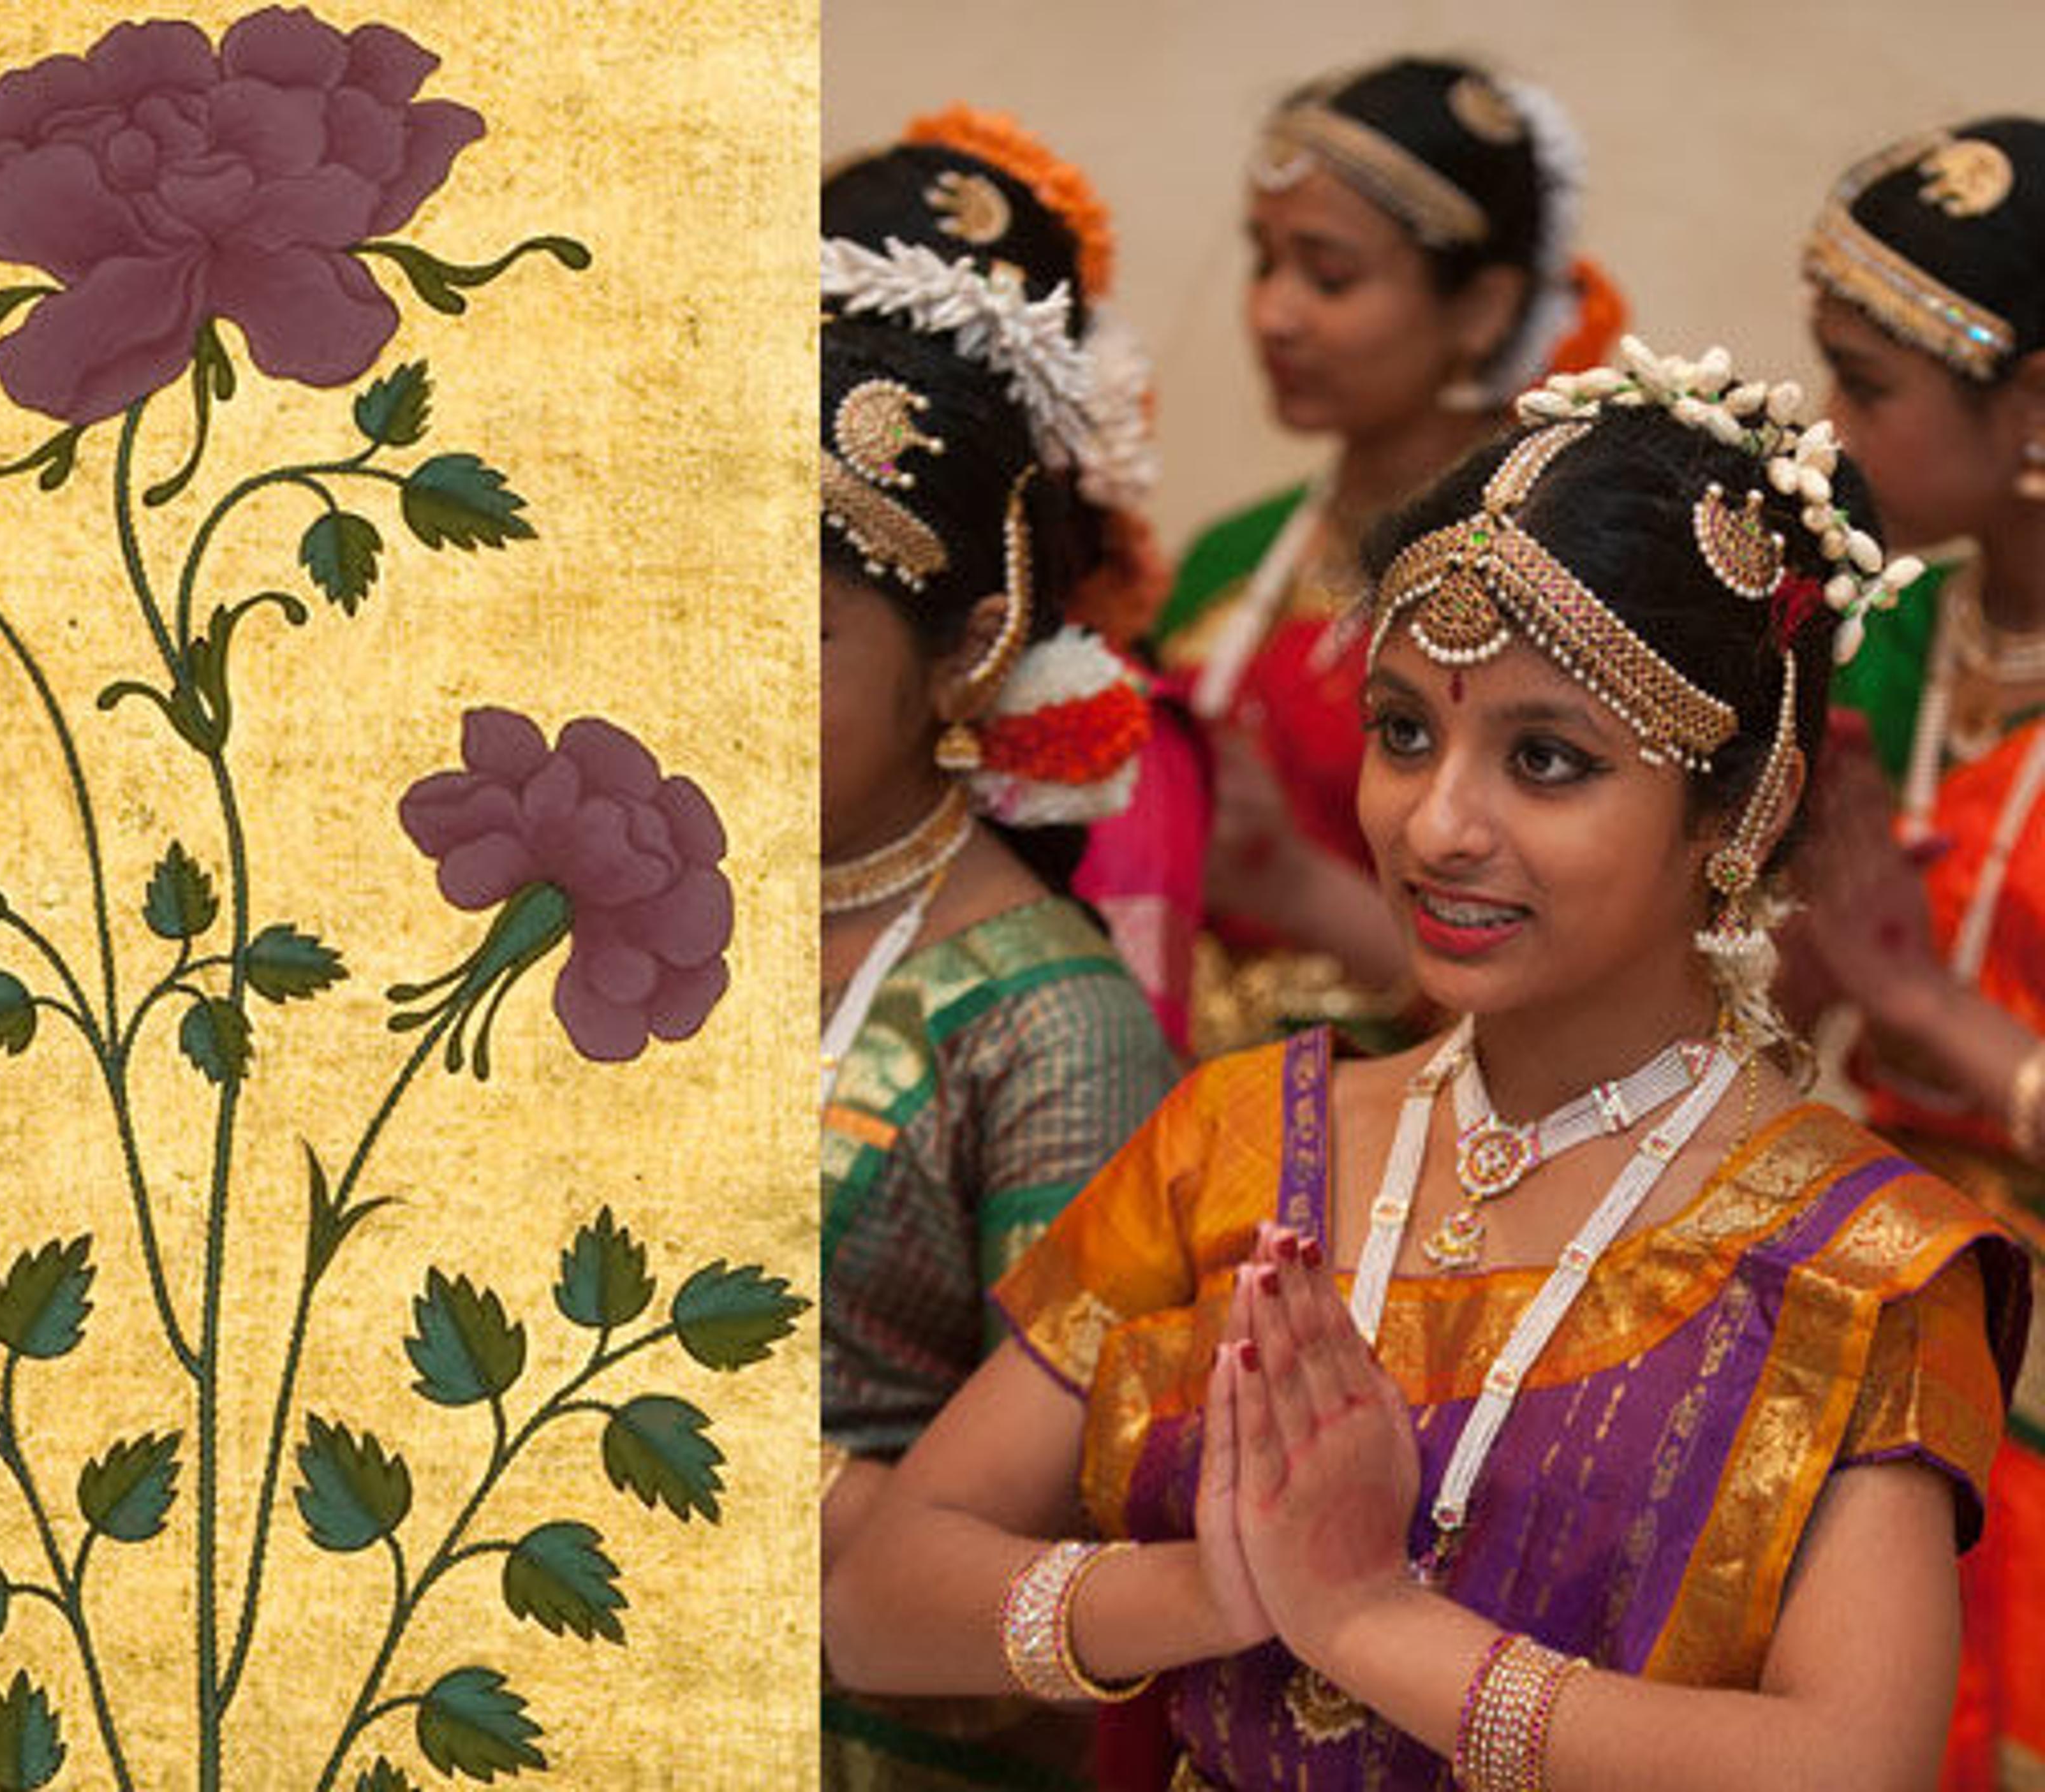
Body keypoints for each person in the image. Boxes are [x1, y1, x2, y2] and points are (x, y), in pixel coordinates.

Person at [825, 341, 2029, 1791]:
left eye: (1547, 760)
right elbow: (880, 1604)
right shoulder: (1241, 1139)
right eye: (1405, 733)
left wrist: (1373, 1622)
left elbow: (1849, 1768)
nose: (1436, 823)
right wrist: (1210, 1595)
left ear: (1742, 805)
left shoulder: (1863, 1264)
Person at [820, 114, 1180, 1790]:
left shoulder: (1057, 1030)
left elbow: (1053, 1605)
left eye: (793, 634)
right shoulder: (597, 907)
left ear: (968, 647)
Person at [1077, 55, 1622, 1056]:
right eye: (1263, 261)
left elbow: (1576, 990)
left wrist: (1286, 878)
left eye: (1329, 276)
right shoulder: (1232, 553)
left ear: (1483, 308)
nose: (1274, 313)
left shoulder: (1553, 582)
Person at [1789, 117, 2045, 1789]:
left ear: (2034, 417)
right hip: (1872, 1304)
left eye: (1866, 388)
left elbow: (1892, 979)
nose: (1829, 434)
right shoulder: (1880, 630)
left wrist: (1921, 1005)